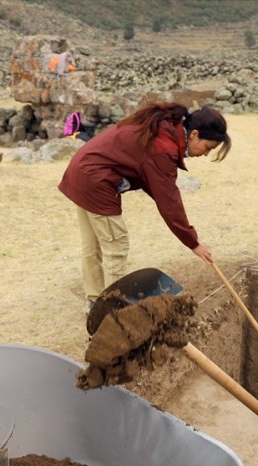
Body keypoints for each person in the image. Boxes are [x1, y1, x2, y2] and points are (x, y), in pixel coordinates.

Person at [57, 102, 230, 311]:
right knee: (116, 248)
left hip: (82, 171)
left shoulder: (164, 130)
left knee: (92, 245)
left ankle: (95, 301)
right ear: (194, 134)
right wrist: (192, 242)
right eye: (208, 147)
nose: (205, 154)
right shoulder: (163, 146)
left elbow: (155, 186)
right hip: (95, 180)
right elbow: (168, 198)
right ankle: (112, 312)